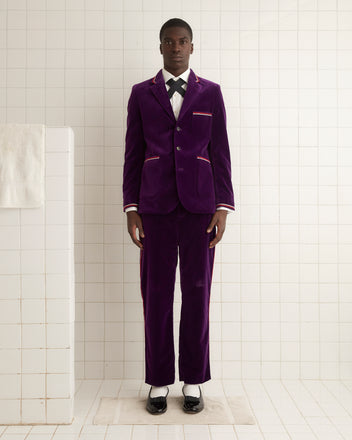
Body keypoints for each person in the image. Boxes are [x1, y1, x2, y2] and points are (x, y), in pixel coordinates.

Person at [123, 18, 235, 415]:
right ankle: (157, 379)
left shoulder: (211, 93)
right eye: (168, 41)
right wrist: (131, 207)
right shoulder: (141, 94)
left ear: (192, 46)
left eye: (182, 41)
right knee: (155, 295)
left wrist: (224, 205)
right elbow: (133, 154)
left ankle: (193, 380)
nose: (175, 47)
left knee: (197, 294)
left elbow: (220, 152)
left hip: (200, 209)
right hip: (152, 209)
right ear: (160, 47)